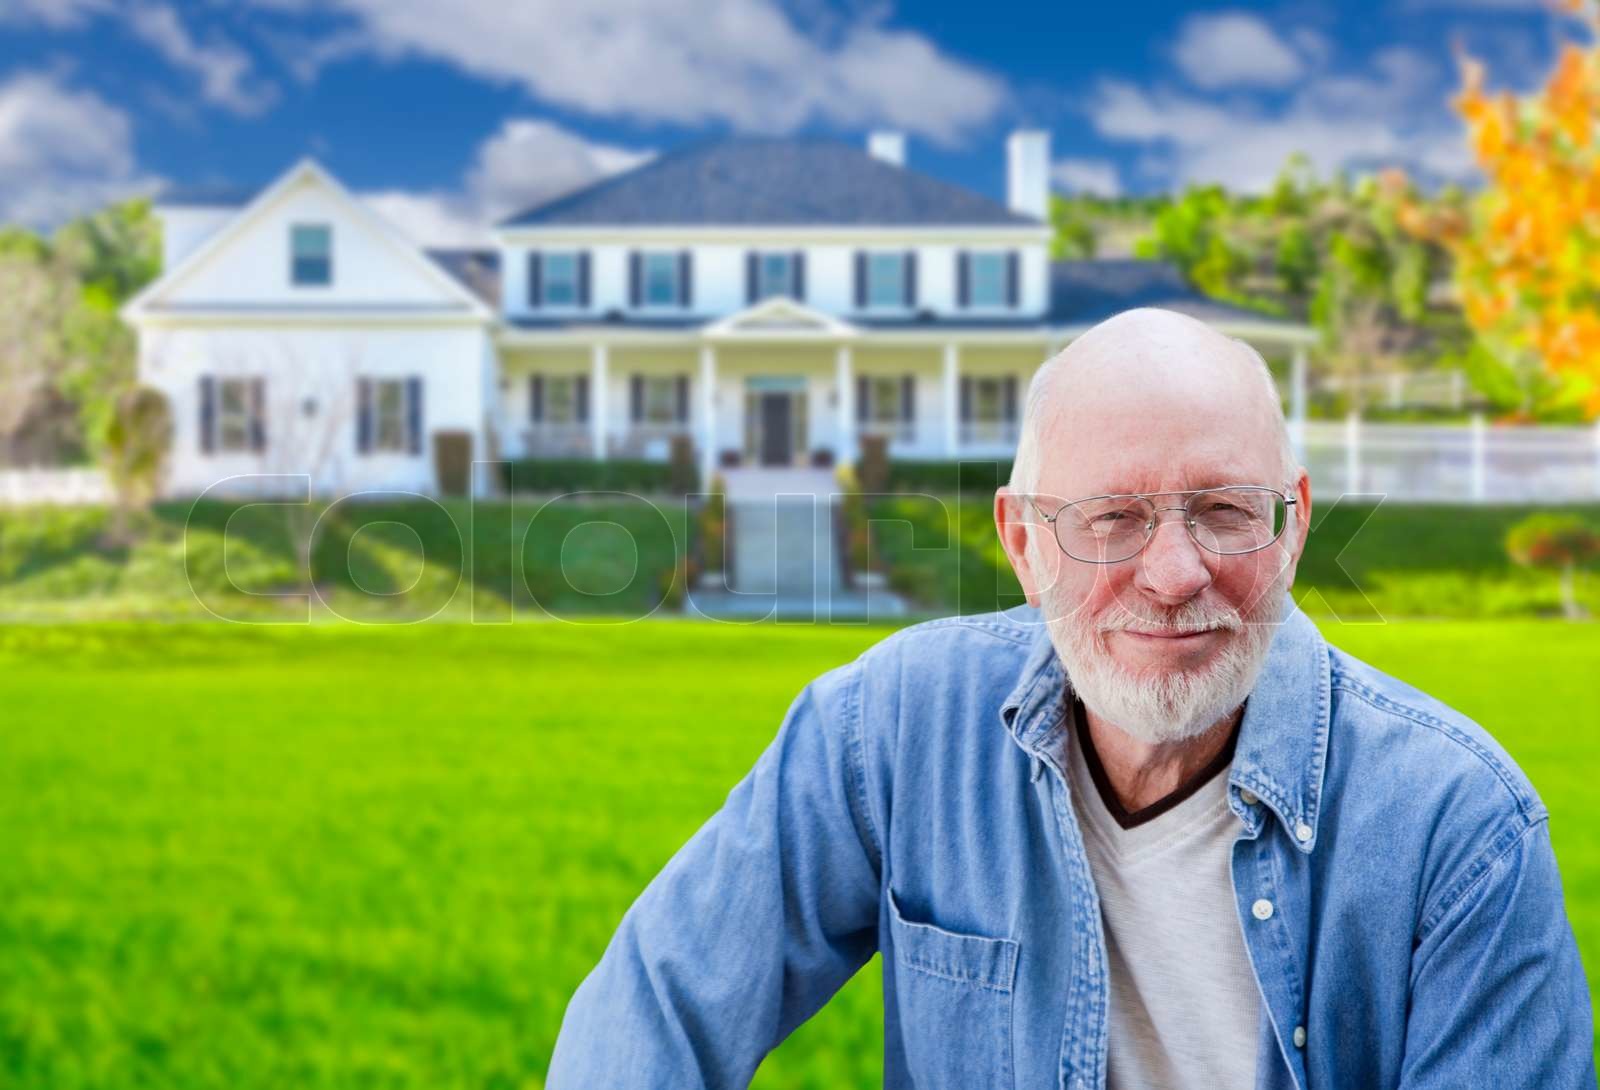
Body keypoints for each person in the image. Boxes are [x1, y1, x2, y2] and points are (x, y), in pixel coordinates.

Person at [546, 308, 1595, 1089]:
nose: (1175, 571)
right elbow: (656, 1010)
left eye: (1226, 510)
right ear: (1019, 539)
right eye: (1111, 517)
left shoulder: (1462, 832)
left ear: (1296, 524)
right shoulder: (888, 731)